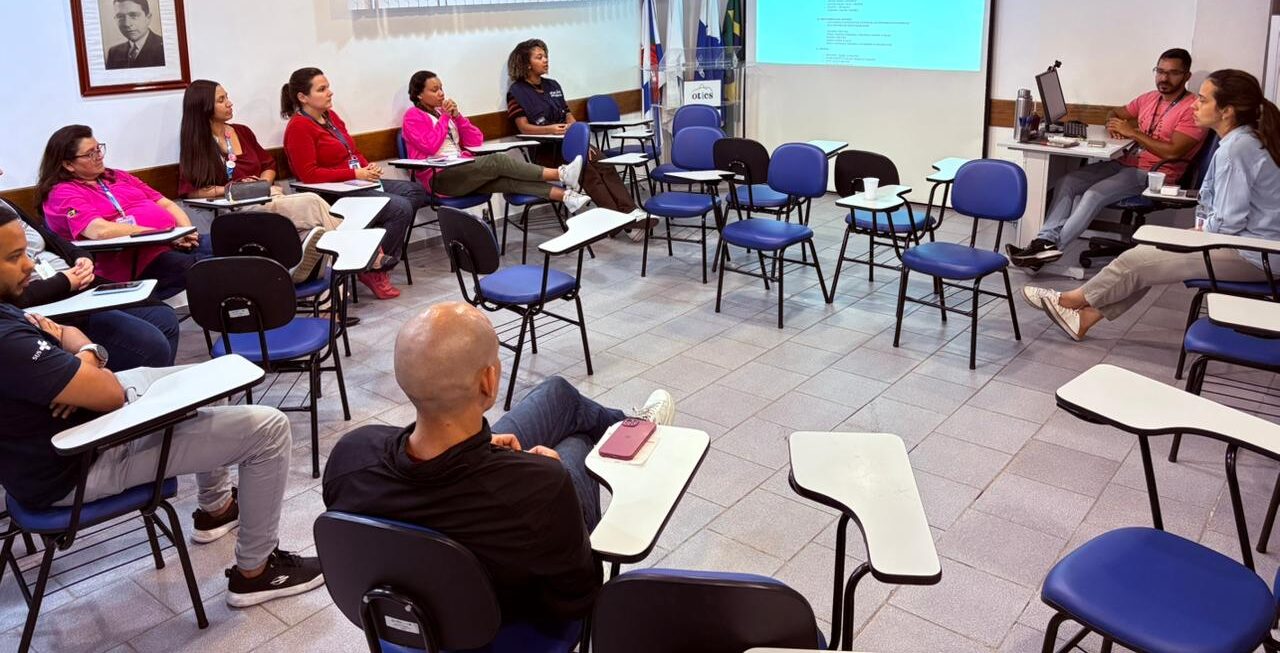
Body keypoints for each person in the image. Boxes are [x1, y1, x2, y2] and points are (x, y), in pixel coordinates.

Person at [0, 209, 324, 607]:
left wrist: (78, 362)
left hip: (77, 430)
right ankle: (256, 573)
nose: (30, 265)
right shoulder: (7, 339)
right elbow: (106, 391)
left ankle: (217, 509)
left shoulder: (6, 312)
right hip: (77, 464)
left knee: (213, 378)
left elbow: (66, 338)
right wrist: (86, 354)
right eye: (14, 257)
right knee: (268, 430)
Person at [322, 302, 676, 622]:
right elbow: (580, 594)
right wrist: (553, 475)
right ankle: (636, 435)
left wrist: (484, 448)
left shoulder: (349, 456)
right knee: (576, 444)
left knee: (558, 394)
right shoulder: (541, 487)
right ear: (488, 382)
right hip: (511, 619)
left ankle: (632, 427)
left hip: (411, 609)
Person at [1025, 69, 1280, 341]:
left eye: (1203, 100)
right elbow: (1220, 209)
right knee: (1147, 258)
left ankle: (1069, 300)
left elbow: (1229, 222)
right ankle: (1083, 319)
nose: (1194, 104)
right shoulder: (1240, 141)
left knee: (1136, 260)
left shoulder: (1238, 148)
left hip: (1255, 256)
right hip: (1247, 247)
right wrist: (1196, 231)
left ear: (1227, 111)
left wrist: (1196, 235)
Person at [1007, 48, 1208, 269]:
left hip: (1154, 174)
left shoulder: (1191, 109)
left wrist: (1132, 133)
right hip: (1124, 162)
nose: (1164, 78)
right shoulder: (1150, 98)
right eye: (1160, 71)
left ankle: (1048, 251)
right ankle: (1043, 242)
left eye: (1173, 73)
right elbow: (1114, 113)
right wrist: (1112, 125)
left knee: (1093, 194)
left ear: (1187, 76)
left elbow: (1173, 152)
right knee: (1068, 182)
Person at [282, 67, 427, 300]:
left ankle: (370, 252)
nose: (330, 93)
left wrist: (368, 168)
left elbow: (352, 150)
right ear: (303, 97)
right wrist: (354, 173)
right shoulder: (299, 127)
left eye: (328, 87)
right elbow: (308, 174)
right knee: (399, 208)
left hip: (356, 181)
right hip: (332, 192)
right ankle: (373, 268)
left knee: (416, 191)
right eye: (322, 89)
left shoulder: (330, 116)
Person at [178, 79, 339, 283]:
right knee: (312, 202)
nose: (229, 103)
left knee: (316, 230)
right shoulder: (196, 143)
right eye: (221, 100)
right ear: (204, 107)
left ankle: (306, 267)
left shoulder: (242, 131)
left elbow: (268, 165)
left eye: (227, 97)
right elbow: (192, 191)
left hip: (268, 196)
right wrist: (232, 189)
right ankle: (348, 259)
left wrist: (261, 185)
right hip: (239, 208)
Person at [37, 124, 210, 300]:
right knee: (209, 268)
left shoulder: (117, 176)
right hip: (136, 261)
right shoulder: (61, 193)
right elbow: (99, 230)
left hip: (174, 242)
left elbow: (166, 204)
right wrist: (165, 236)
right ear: (68, 164)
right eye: (90, 154)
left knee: (224, 243)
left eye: (98, 149)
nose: (99, 156)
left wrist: (186, 232)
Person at [4, 200, 178, 371]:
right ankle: (117, 384)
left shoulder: (5, 204)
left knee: (163, 317)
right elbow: (10, 298)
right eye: (15, 256)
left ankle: (149, 382)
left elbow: (52, 239)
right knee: (150, 343)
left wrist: (82, 257)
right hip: (52, 302)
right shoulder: (62, 194)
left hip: (80, 285)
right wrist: (64, 282)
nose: (30, 264)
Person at [505, 39, 650, 238]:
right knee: (587, 171)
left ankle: (631, 211)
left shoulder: (552, 85)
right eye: (539, 57)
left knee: (603, 162)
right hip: (546, 152)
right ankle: (619, 221)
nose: (546, 60)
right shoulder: (516, 92)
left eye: (546, 56)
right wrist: (550, 130)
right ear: (526, 63)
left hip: (569, 144)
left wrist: (581, 141)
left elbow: (568, 116)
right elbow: (523, 127)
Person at [401, 70, 591, 213]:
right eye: (434, 90)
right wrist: (444, 118)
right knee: (498, 160)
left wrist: (457, 117)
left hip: (461, 169)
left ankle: (567, 197)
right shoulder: (412, 116)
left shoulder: (444, 114)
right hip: (439, 178)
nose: (441, 93)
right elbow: (431, 146)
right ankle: (561, 174)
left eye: (442, 88)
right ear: (419, 95)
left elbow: (476, 140)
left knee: (507, 181)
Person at [104, 0, 165, 69]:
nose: (127, 24)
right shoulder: (113, 53)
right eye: (120, 17)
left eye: (134, 16)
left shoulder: (164, 48)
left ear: (148, 18)